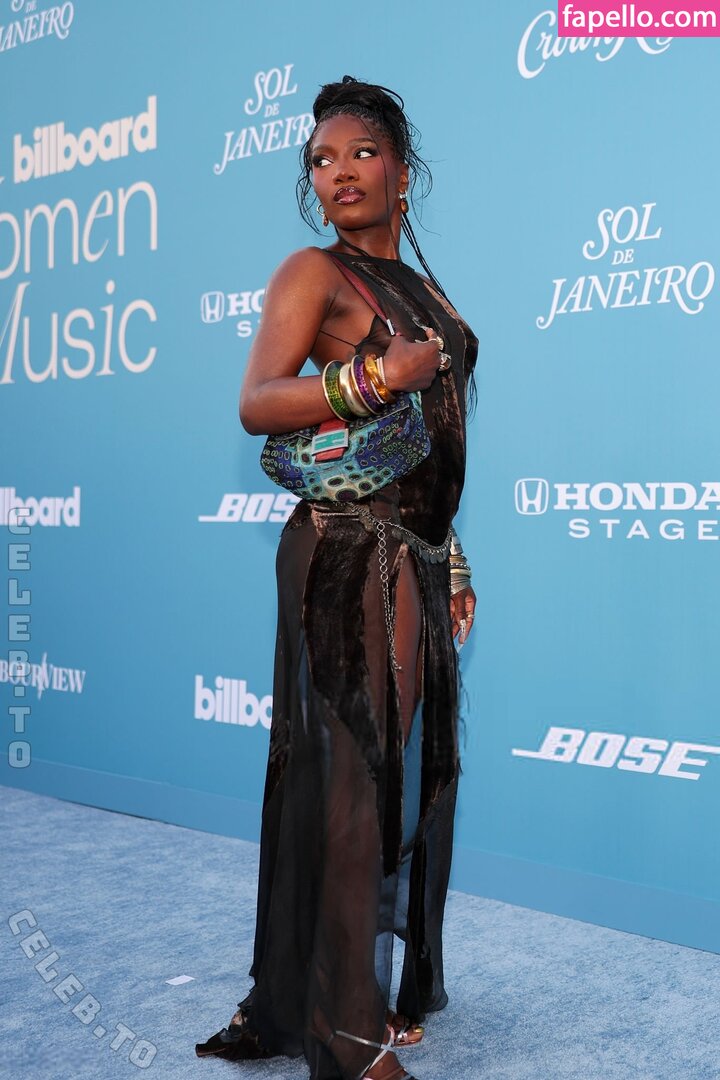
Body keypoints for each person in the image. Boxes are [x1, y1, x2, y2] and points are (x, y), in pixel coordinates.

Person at [195, 75, 478, 1080]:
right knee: (357, 780)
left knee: (380, 781)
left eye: (361, 152)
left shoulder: (422, 287)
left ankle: (336, 992)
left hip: (413, 550)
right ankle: (349, 1035)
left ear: (403, 169)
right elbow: (257, 401)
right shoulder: (311, 273)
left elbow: (433, 437)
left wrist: (453, 557)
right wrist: (374, 376)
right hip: (350, 546)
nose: (340, 172)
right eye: (321, 159)